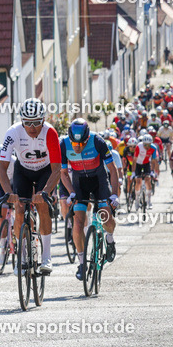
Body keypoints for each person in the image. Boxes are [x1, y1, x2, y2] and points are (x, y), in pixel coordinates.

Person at [0, 98, 62, 275]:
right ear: (21, 121)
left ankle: (47, 257)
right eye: (27, 123)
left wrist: (46, 192)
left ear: (43, 120)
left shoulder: (50, 133)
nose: (32, 127)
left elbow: (57, 170)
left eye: (36, 123)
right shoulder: (13, 133)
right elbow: (2, 169)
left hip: (45, 171)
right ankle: (22, 255)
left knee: (42, 206)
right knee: (19, 208)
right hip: (23, 170)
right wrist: (8, 192)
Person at [58, 119, 120, 281]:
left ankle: (110, 239)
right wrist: (71, 192)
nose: (77, 147)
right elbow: (63, 173)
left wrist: (114, 194)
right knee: (78, 223)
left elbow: (112, 170)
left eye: (82, 144)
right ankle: (81, 263)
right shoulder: (64, 144)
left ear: (87, 138)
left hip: (99, 181)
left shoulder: (98, 141)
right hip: (80, 184)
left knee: (106, 216)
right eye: (74, 144)